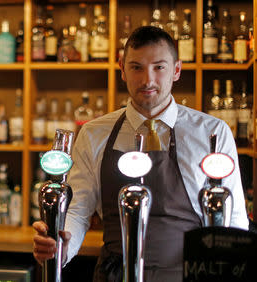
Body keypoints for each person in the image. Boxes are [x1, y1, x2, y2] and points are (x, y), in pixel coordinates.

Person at [32, 26, 249, 282]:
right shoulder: (94, 133)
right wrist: (61, 246)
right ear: (122, 69)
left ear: (177, 70)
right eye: (136, 67)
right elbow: (78, 210)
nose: (148, 80)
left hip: (191, 275)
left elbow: (234, 218)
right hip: (116, 275)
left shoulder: (211, 132)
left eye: (159, 67)